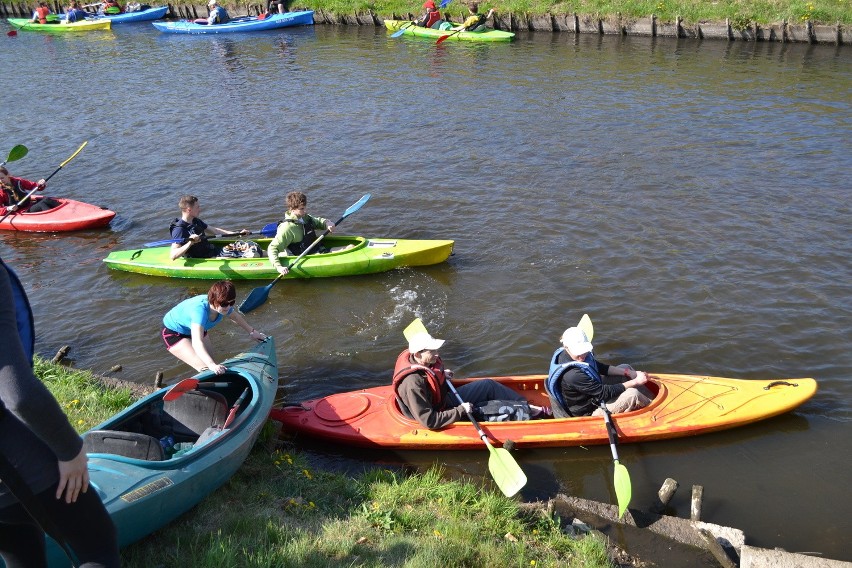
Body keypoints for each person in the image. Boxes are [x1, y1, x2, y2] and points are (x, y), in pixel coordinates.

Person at [0, 256, 120, 568]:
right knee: (98, 548)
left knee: (20, 554)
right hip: (16, 461)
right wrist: (70, 450)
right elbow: (18, 394)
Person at [393, 330, 548, 430]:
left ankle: (525, 405)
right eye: (432, 350)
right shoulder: (412, 384)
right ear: (418, 354)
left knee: (488, 385)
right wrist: (460, 410)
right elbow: (429, 421)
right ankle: (527, 414)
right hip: (437, 413)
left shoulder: (424, 362)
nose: (437, 353)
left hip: (442, 399)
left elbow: (429, 380)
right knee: (478, 409)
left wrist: (441, 376)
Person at [162, 280, 267, 374]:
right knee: (206, 368)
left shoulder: (224, 306)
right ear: (213, 300)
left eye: (232, 302)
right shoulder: (199, 311)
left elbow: (235, 317)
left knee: (215, 364)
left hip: (197, 330)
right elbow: (197, 342)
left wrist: (252, 332)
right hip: (174, 333)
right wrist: (211, 365)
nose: (229, 307)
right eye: (225, 304)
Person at [546, 326, 652, 418]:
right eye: (578, 352)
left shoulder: (574, 356)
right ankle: (652, 409)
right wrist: (636, 382)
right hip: (588, 412)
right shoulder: (573, 375)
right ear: (567, 348)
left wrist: (628, 372)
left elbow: (600, 367)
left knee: (625, 367)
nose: (582, 355)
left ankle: (650, 399)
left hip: (593, 393)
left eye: (584, 351)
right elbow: (604, 393)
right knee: (633, 394)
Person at [267, 191, 337, 276]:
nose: (305, 210)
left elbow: (317, 222)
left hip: (315, 249)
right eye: (302, 209)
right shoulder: (287, 228)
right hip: (305, 257)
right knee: (349, 247)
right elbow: (272, 248)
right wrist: (279, 267)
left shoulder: (304, 217)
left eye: (305, 207)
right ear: (292, 209)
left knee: (350, 246)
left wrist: (327, 223)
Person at [169, 195, 248, 261]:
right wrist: (190, 243)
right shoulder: (179, 229)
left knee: (247, 246)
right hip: (203, 258)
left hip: (211, 251)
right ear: (189, 210)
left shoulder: (196, 221)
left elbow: (215, 231)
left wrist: (238, 233)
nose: (200, 209)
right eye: (197, 207)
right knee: (246, 255)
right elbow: (173, 255)